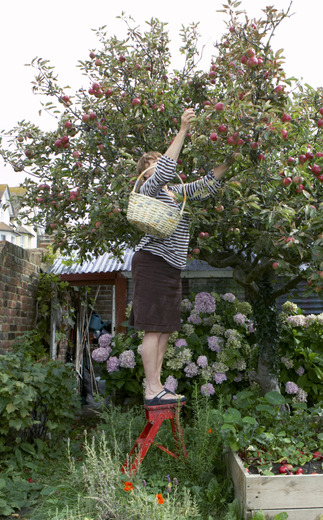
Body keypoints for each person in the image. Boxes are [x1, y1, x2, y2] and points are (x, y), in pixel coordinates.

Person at [130, 108, 235, 406]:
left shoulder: (175, 192)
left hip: (170, 267)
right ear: (146, 170)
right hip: (152, 261)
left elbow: (205, 186)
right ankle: (151, 388)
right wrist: (183, 130)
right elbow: (165, 167)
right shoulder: (149, 187)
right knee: (153, 326)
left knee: (163, 328)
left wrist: (228, 161)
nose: (159, 165)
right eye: (152, 163)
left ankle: (158, 385)